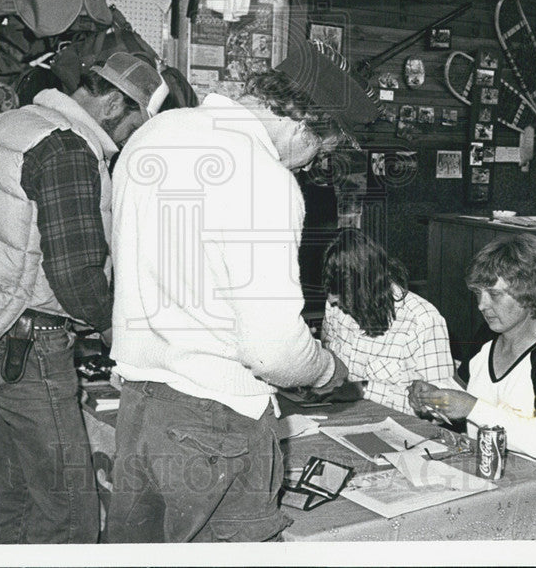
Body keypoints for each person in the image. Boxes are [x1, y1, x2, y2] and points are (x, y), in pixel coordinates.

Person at [106, 41, 380, 543]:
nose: (309, 164)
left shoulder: (154, 134)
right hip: (215, 422)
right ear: (304, 125)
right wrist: (324, 369)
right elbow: (273, 350)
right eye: (321, 149)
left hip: (139, 404)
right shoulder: (265, 176)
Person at [0, 51, 169, 544]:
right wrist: (120, 337)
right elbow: (76, 273)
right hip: (27, 341)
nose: (128, 141)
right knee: (68, 509)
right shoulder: (68, 149)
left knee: (16, 487)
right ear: (114, 106)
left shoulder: (12, 122)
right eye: (134, 126)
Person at [407, 233, 536, 502]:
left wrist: (470, 407)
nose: (481, 305)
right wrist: (433, 400)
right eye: (478, 294)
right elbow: (461, 401)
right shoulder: (487, 338)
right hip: (490, 487)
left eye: (494, 294)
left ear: (530, 294)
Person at [320, 227, 456, 415]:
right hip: (343, 418)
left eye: (340, 293)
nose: (331, 301)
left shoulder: (423, 320)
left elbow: (441, 409)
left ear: (365, 288)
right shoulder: (336, 308)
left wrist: (364, 389)